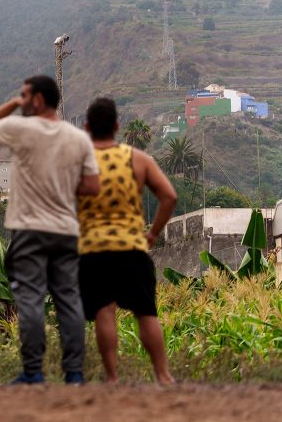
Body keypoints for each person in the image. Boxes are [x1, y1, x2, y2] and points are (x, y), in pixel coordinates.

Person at [0, 76, 100, 385]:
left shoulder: (23, 129)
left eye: (24, 96)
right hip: (65, 230)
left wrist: (12, 105)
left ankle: (33, 372)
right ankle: (74, 374)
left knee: (30, 299)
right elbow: (92, 186)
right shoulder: (78, 138)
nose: (21, 101)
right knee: (69, 301)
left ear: (38, 99)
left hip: (29, 229)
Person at [81, 98, 177, 384]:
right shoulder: (138, 159)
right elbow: (169, 196)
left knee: (104, 312)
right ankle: (163, 376)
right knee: (145, 312)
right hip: (132, 248)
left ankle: (112, 378)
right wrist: (153, 233)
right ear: (117, 126)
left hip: (93, 250)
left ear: (87, 128)